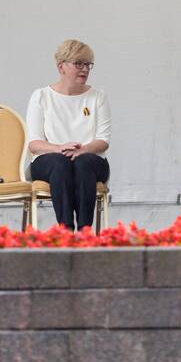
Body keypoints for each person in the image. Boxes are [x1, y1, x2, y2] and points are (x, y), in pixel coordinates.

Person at [26, 39, 111, 229]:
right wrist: (59, 148)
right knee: (60, 162)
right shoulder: (41, 96)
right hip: (49, 159)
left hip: (90, 159)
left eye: (88, 64)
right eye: (79, 64)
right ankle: (65, 230)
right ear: (61, 67)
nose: (85, 69)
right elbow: (34, 143)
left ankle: (84, 231)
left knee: (83, 163)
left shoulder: (98, 97)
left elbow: (103, 140)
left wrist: (84, 149)